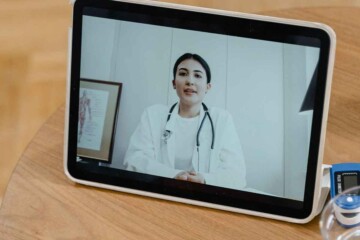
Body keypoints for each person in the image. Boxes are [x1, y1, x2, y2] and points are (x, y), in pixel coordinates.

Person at [124, 53, 246, 190]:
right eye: (183, 74)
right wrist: (173, 175)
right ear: (174, 83)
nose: (190, 81)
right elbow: (134, 160)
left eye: (198, 75)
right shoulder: (153, 115)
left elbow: (237, 175)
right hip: (159, 191)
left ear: (208, 87)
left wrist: (205, 179)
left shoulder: (222, 120)